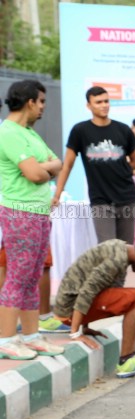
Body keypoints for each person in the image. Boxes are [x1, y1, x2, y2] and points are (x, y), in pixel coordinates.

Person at [0, 79, 65, 361]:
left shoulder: (30, 134)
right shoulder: (9, 133)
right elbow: (36, 174)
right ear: (29, 102)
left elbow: (57, 162)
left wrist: (46, 167)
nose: (42, 108)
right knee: (18, 275)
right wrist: (46, 168)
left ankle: (31, 335)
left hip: (38, 212)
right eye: (41, 102)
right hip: (19, 212)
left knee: (32, 275)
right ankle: (5, 338)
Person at [53, 239, 135, 377]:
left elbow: (98, 287)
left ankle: (129, 356)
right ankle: (127, 359)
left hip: (70, 307)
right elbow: (87, 291)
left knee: (125, 296)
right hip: (68, 312)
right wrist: (75, 333)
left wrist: (85, 327)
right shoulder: (117, 260)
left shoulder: (121, 249)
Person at [52, 86, 135, 244]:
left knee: (125, 250)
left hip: (127, 197)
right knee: (107, 249)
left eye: (106, 101)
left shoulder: (123, 129)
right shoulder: (80, 130)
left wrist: (120, 170)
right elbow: (67, 165)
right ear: (89, 105)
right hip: (100, 200)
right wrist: (57, 194)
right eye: (98, 102)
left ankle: (121, 271)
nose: (104, 105)